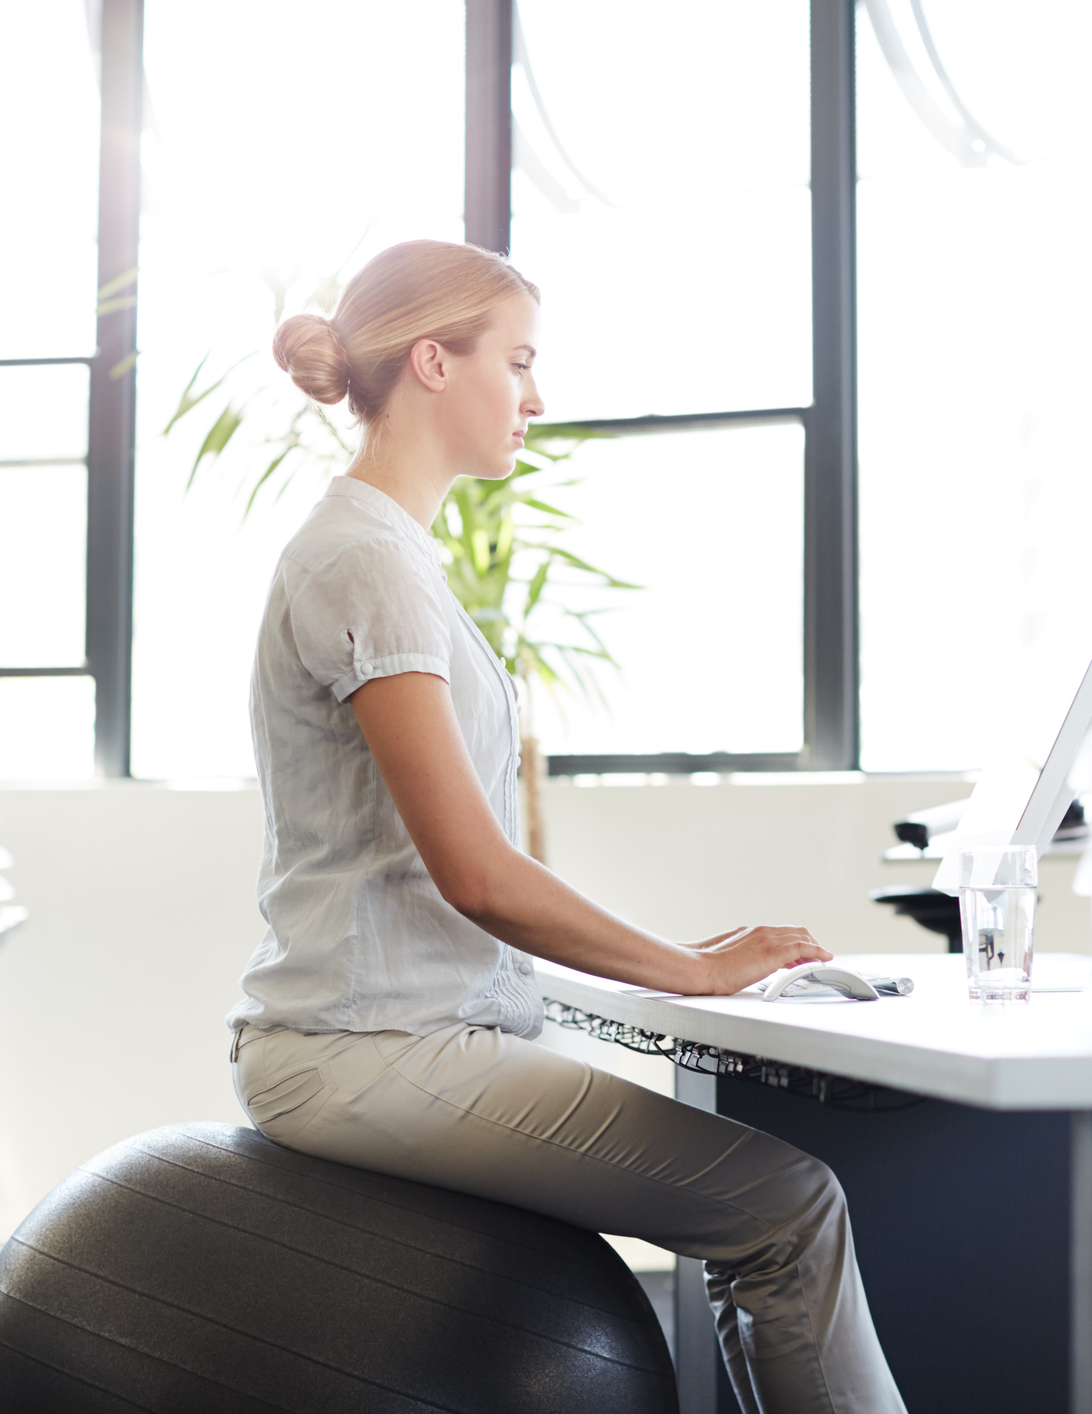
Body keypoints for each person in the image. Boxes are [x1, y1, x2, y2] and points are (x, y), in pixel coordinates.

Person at [226, 239, 908, 1414]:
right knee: (790, 1209)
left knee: (772, 1203)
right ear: (434, 363)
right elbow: (478, 874)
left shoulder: (389, 555)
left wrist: (668, 963)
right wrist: (689, 969)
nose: (536, 398)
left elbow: (467, 869)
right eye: (520, 363)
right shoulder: (366, 563)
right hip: (365, 1049)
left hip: (397, 1031)